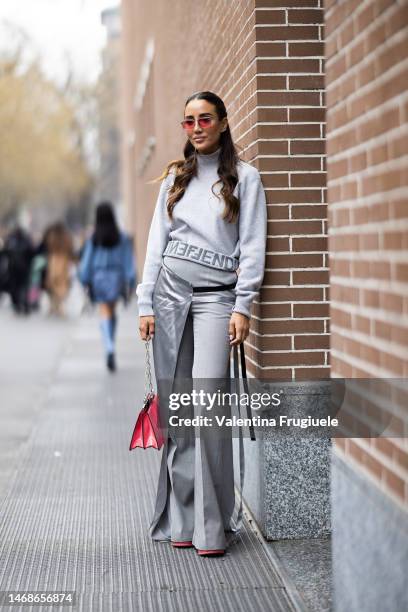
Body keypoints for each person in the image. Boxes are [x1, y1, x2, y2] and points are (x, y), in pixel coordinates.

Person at [136, 91, 267, 556]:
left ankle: (213, 529)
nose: (196, 127)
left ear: (223, 122)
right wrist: (144, 303)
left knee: (208, 405)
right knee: (179, 410)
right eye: (188, 120)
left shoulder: (245, 179)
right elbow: (156, 244)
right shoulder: (174, 179)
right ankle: (183, 521)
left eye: (204, 119)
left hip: (217, 300)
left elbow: (251, 246)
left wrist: (242, 306)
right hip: (169, 298)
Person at [78, 202, 136, 372]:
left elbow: (86, 263)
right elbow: (128, 261)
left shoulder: (94, 238)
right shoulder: (121, 237)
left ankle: (109, 347)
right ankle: (111, 345)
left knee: (104, 311)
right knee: (111, 310)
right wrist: (131, 281)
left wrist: (84, 280)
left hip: (99, 277)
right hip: (116, 278)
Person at [43, 222, 75, 317]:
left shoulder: (52, 236)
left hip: (54, 260)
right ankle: (59, 306)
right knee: (62, 284)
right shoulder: (66, 237)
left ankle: (54, 306)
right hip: (64, 261)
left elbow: (48, 246)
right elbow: (71, 248)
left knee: (53, 283)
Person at [4, 226, 35, 315]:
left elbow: (6, 252)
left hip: (18, 269)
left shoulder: (12, 241)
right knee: (21, 288)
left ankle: (22, 305)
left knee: (19, 288)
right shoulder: (23, 241)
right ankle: (22, 305)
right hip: (20, 269)